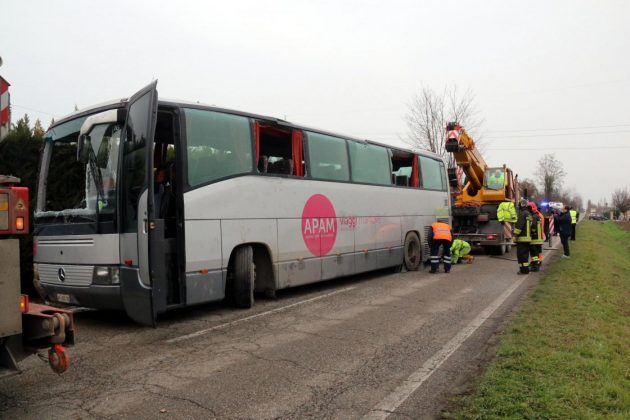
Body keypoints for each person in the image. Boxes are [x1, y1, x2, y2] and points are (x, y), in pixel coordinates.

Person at [513, 198, 533, 274]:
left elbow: (519, 226)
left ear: (521, 205)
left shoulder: (522, 214)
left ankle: (524, 270)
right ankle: (525, 269)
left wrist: (515, 236)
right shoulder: (529, 214)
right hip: (528, 238)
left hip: (522, 238)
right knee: (525, 255)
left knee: (521, 255)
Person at [528, 202, 545, 272]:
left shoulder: (535, 216)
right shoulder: (539, 215)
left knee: (534, 253)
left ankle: (536, 265)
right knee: (537, 252)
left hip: (535, 237)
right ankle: (536, 263)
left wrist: (530, 233)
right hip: (539, 237)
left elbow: (533, 226)